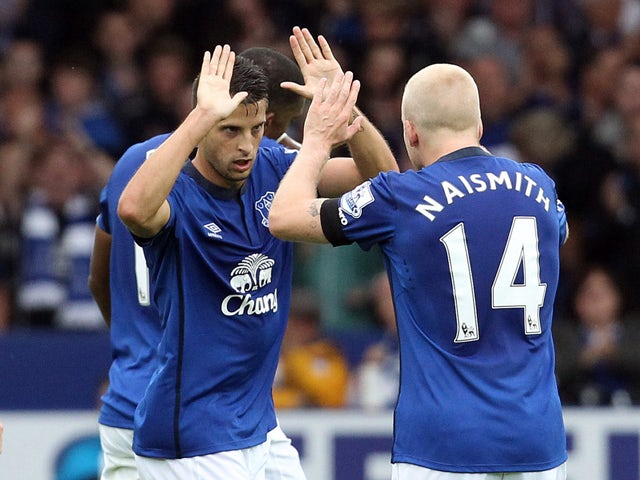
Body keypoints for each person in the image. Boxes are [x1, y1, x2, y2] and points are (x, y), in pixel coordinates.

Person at [116, 30, 396, 480]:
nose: (247, 145)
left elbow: (385, 181)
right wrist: (203, 113)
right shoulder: (180, 196)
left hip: (259, 429)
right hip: (193, 436)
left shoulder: (273, 165)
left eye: (257, 128)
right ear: (203, 125)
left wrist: (345, 108)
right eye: (230, 130)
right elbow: (132, 210)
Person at [268, 63, 569, 477]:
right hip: (538, 439)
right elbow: (557, 233)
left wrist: (318, 140)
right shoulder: (539, 186)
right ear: (478, 127)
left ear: (410, 133)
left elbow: (283, 217)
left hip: (441, 443)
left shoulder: (402, 198)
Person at [273, 287, 350, 409]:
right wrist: (294, 400)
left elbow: (330, 399)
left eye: (307, 322)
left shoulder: (326, 354)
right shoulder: (266, 354)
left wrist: (293, 353)